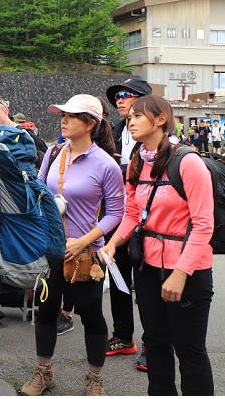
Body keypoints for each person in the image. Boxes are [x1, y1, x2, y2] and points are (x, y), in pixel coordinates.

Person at [100, 95, 214, 396]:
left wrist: (181, 272)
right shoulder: (138, 161)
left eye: (137, 116)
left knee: (190, 351)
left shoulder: (188, 162)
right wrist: (113, 243)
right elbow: (133, 214)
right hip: (148, 268)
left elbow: (204, 224)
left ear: (160, 119)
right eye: (129, 118)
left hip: (188, 271)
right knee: (157, 345)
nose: (131, 121)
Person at [20, 94, 124, 396]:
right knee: (46, 309)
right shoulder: (52, 153)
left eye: (71, 115)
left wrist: (83, 241)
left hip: (87, 254)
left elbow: (116, 213)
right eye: (62, 115)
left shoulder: (107, 164)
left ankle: (95, 379)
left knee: (91, 315)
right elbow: (38, 194)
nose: (63, 120)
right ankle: (43, 373)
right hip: (52, 249)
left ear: (90, 123)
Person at [104, 78, 152, 367]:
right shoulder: (115, 130)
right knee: (119, 277)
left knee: (146, 286)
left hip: (147, 222)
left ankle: (152, 342)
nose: (120, 100)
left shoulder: (162, 138)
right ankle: (123, 335)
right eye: (117, 96)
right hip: (118, 216)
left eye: (126, 95)